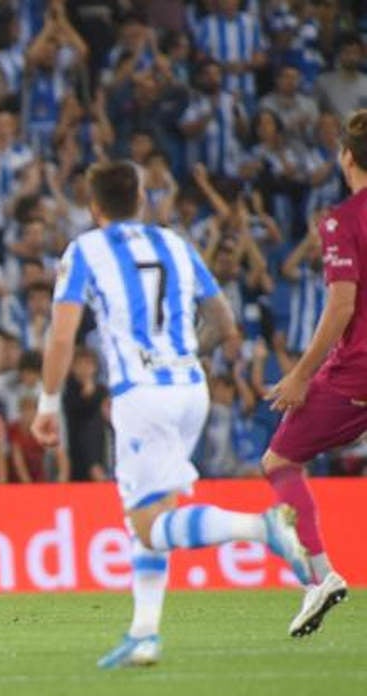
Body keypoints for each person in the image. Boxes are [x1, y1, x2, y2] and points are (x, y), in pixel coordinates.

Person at [32, 161, 310, 670]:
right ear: (139, 200)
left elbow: (62, 336)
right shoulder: (176, 244)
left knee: (145, 526)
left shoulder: (86, 250)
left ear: (95, 207)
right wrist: (184, 357)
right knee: (154, 510)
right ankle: (144, 633)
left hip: (142, 393)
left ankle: (260, 529)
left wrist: (48, 405)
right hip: (190, 387)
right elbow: (225, 320)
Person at [262, 109, 367, 638]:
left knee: (280, 460)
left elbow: (342, 306)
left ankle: (321, 577)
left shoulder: (341, 222)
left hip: (358, 373)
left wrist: (302, 374)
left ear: (346, 156)